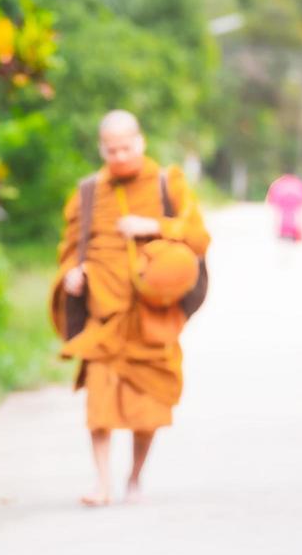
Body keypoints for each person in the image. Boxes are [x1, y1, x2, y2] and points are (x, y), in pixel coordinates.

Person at [51, 110, 211, 507]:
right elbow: (70, 246)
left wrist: (153, 227)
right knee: (99, 405)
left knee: (147, 409)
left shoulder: (166, 183)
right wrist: (73, 271)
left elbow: (199, 237)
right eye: (112, 150)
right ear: (102, 149)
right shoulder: (88, 192)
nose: (120, 156)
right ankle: (102, 483)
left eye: (126, 147)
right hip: (102, 314)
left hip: (152, 318)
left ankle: (135, 477)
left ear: (140, 143)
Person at [266, 173, 302, 242]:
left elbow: (272, 194)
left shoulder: (279, 182)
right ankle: (293, 231)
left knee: (285, 214)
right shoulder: (298, 182)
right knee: (293, 215)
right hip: (296, 198)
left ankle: (285, 231)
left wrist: (271, 201)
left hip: (282, 198)